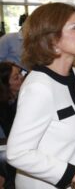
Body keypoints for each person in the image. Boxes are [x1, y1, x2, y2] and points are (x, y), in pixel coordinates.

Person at [6, 2, 75, 189]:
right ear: (52, 41)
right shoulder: (39, 87)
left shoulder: (73, 75)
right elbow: (17, 153)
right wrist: (73, 175)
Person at [0, 61, 24, 189]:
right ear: (5, 84)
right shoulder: (3, 107)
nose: (22, 77)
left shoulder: (20, 97)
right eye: (16, 77)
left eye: (20, 73)